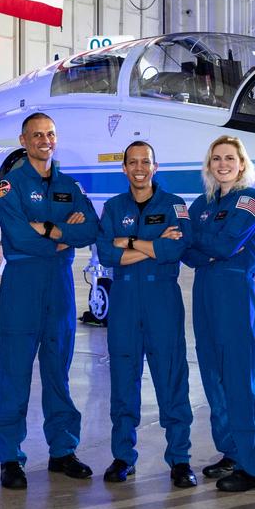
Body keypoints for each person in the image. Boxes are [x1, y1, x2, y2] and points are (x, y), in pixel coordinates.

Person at [0, 112, 99, 490]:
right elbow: (19, 237)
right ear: (23, 140)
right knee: (14, 371)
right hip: (22, 284)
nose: (44, 140)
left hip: (59, 286)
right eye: (36, 135)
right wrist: (63, 236)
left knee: (58, 369)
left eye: (50, 134)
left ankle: (63, 450)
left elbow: (91, 229)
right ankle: (10, 457)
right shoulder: (11, 186)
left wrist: (52, 229)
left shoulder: (69, 184)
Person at [95, 141, 195, 488]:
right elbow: (106, 253)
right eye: (132, 162)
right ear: (124, 168)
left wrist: (130, 241)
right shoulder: (112, 207)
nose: (139, 168)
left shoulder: (175, 206)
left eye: (145, 162)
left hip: (162, 301)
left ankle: (180, 459)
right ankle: (123, 456)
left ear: (155, 166)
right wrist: (150, 244)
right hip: (123, 303)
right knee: (123, 379)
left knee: (172, 377)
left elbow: (175, 248)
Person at [182, 135, 255, 493]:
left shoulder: (249, 200)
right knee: (214, 376)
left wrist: (204, 245)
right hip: (205, 290)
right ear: (209, 165)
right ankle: (231, 451)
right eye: (216, 158)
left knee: (239, 377)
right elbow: (185, 250)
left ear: (242, 163)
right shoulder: (202, 203)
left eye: (229, 158)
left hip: (234, 293)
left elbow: (223, 243)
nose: (222, 164)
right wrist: (207, 248)